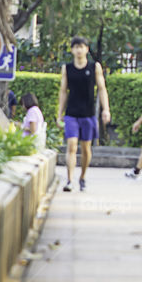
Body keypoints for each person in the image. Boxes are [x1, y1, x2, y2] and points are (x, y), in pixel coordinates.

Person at [56, 36, 111, 192]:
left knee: (86, 149)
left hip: (88, 114)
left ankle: (83, 177)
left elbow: (102, 89)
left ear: (87, 49)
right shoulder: (67, 68)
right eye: (76, 47)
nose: (79, 50)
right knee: (71, 145)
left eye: (82, 47)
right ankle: (69, 180)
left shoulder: (95, 67)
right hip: (71, 114)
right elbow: (63, 91)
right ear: (72, 50)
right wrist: (59, 114)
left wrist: (106, 109)